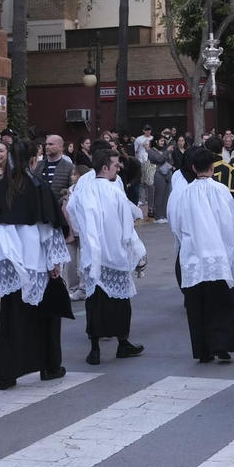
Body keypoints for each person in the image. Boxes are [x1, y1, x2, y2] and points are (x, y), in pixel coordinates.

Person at [0, 138, 72, 390]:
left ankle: (7, 373)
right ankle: (49, 366)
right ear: (34, 159)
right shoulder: (38, 186)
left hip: (11, 263)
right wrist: (54, 262)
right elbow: (49, 228)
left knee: (12, 319)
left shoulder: (1, 188)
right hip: (37, 263)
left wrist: (1, 262)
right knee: (46, 318)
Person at [67, 147, 147, 366]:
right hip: (115, 254)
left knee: (95, 303)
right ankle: (123, 342)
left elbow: (72, 211)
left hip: (94, 255)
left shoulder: (83, 189)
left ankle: (95, 350)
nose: (118, 169)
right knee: (120, 302)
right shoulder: (114, 192)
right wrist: (135, 251)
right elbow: (126, 225)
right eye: (115, 165)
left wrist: (81, 232)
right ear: (105, 168)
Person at [167, 148, 234, 364]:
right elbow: (231, 222)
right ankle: (222, 345)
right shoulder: (221, 191)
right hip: (219, 254)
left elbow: (177, 223)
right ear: (213, 168)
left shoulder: (185, 193)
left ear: (193, 168)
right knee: (222, 303)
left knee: (197, 304)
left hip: (193, 255)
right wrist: (233, 245)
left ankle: (202, 350)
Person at [149, 136, 172, 223]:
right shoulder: (151, 151)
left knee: (166, 195)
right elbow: (159, 159)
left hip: (167, 173)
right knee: (159, 195)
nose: (163, 142)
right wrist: (167, 151)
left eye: (163, 141)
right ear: (156, 141)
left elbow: (170, 160)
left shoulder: (164, 150)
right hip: (158, 174)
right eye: (161, 141)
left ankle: (164, 215)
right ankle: (158, 216)